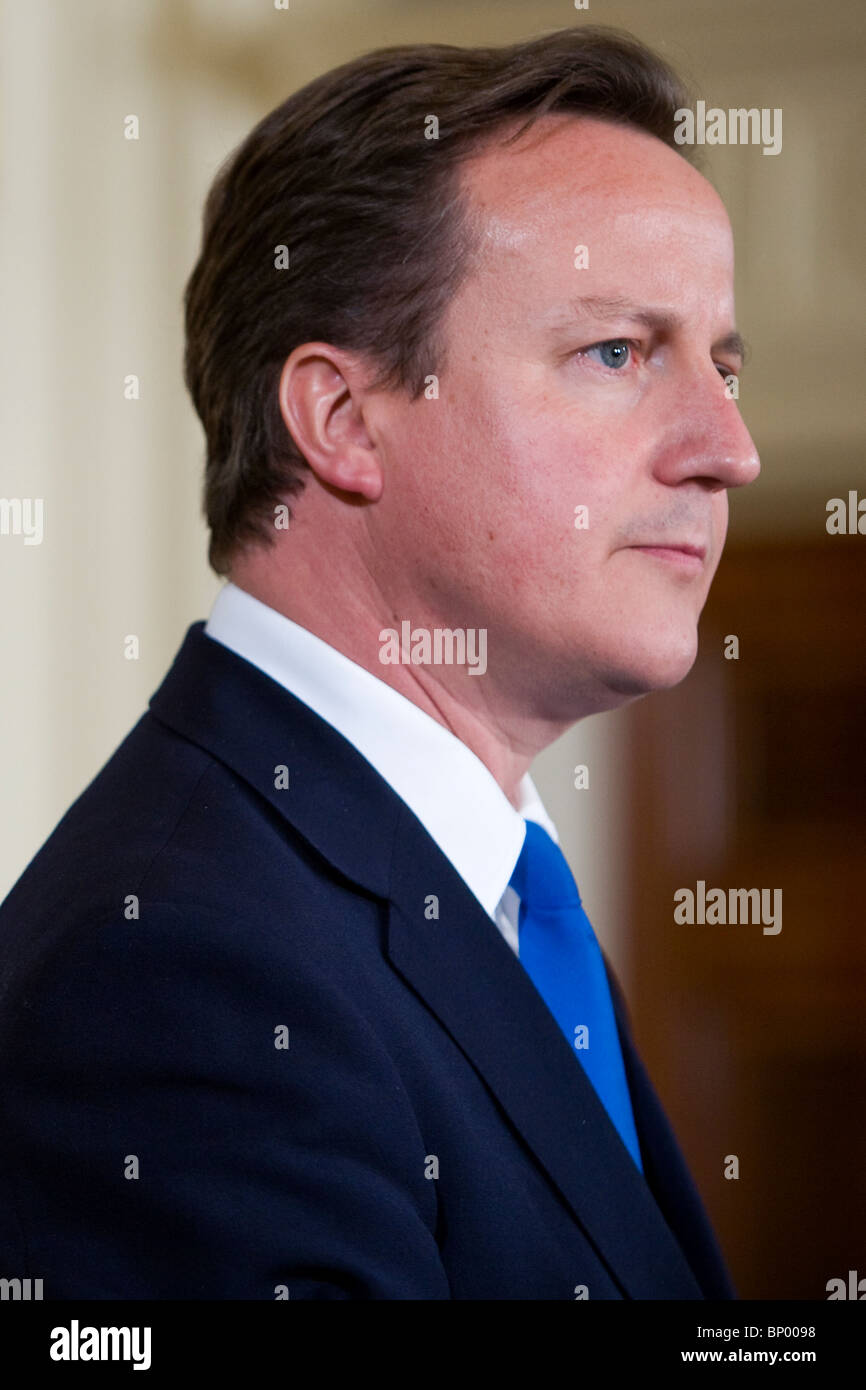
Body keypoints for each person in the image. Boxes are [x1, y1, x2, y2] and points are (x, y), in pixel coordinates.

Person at [0, 26, 759, 1299]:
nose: (727, 448)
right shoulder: (178, 977)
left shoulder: (496, 899)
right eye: (617, 353)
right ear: (343, 420)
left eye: (722, 365)